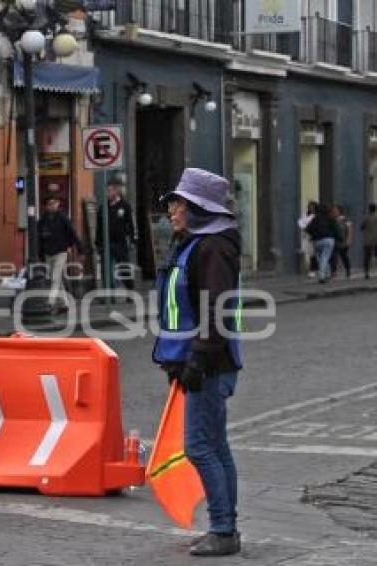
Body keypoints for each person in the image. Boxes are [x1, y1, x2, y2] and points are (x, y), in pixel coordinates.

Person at [153, 168, 242, 557]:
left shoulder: (211, 248)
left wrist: (197, 360)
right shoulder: (194, 245)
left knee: (200, 448)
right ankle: (225, 528)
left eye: (179, 203)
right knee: (215, 447)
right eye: (173, 203)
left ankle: (223, 530)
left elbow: (215, 312)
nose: (172, 210)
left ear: (199, 209)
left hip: (207, 364)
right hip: (201, 362)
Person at [37, 195, 82, 312]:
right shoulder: (43, 220)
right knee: (57, 279)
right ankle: (64, 304)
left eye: (54, 203)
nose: (52, 206)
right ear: (46, 206)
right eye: (49, 204)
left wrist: (79, 248)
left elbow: (72, 233)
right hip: (48, 253)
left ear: (58, 204)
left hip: (61, 252)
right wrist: (40, 253)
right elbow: (39, 238)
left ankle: (50, 302)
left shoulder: (63, 218)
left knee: (55, 278)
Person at [96, 176, 137, 292]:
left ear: (116, 191)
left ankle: (130, 289)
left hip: (120, 242)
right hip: (106, 243)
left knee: (123, 268)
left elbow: (131, 223)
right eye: (107, 191)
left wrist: (133, 238)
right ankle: (108, 293)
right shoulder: (103, 207)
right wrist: (98, 242)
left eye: (110, 191)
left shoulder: (125, 206)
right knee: (106, 269)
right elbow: (99, 226)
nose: (107, 193)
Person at [305, 203, 337, 284]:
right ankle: (323, 276)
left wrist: (313, 234)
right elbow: (335, 229)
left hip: (317, 241)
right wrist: (338, 238)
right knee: (325, 258)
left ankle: (326, 274)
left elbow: (308, 229)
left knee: (321, 258)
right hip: (328, 239)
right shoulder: (330, 218)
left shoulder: (315, 219)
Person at [297, 201, 318, 278]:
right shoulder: (305, 215)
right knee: (309, 253)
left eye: (312, 207)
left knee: (314, 254)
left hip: (315, 236)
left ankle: (313, 270)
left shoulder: (317, 216)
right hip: (306, 236)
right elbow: (301, 222)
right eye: (309, 207)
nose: (311, 208)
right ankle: (312, 269)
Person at [330, 204, 352, 279]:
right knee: (333, 256)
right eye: (333, 211)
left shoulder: (345, 219)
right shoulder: (332, 219)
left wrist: (348, 240)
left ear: (339, 211)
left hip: (343, 241)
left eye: (335, 210)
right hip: (334, 240)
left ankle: (348, 270)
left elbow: (349, 230)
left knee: (344, 256)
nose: (334, 212)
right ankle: (333, 271)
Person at [361, 204, 377, 278]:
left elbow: (361, 227)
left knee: (367, 257)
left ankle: (366, 272)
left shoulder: (366, 218)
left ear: (369, 209)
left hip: (367, 240)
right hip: (375, 240)